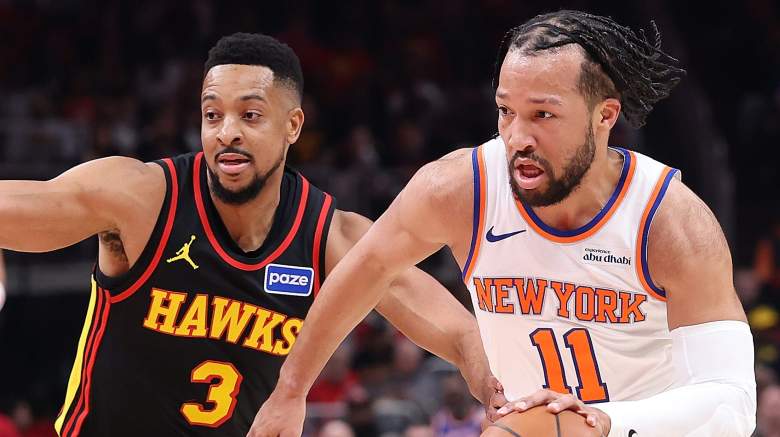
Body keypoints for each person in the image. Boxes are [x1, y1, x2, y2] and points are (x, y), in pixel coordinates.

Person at [252, 10, 756, 437]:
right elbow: (368, 270)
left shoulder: (670, 222)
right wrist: (291, 391)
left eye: (543, 115)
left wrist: (601, 422)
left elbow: (732, 404)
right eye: (506, 111)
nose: (518, 137)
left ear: (605, 117)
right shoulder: (460, 188)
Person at [0, 33, 496, 436]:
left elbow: (459, 332)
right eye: (212, 115)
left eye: (250, 115)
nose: (227, 132)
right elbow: (29, 206)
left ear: (293, 126)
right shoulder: (140, 199)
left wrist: (496, 390)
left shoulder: (329, 236)